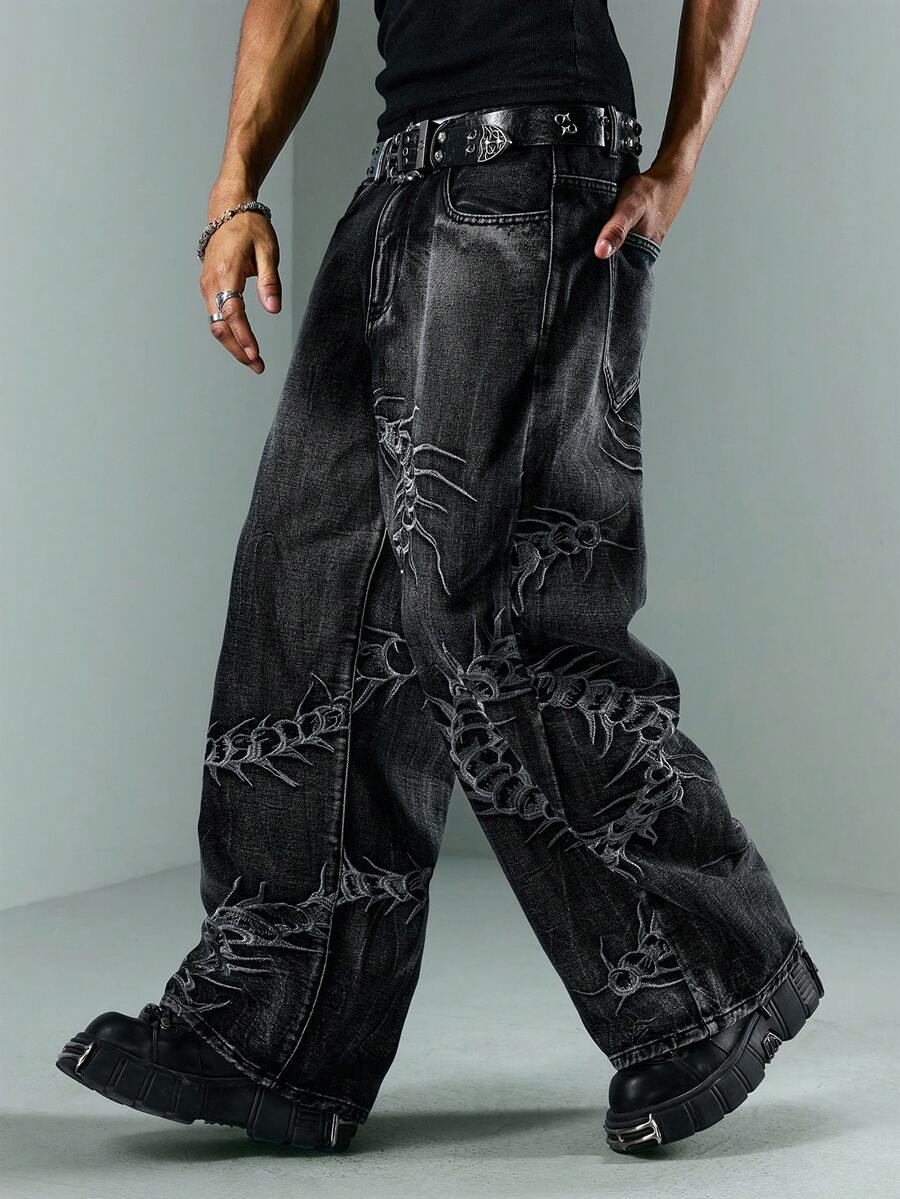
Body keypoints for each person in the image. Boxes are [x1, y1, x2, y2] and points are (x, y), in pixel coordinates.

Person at [57, 0, 823, 1155]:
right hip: (402, 178)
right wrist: (235, 189)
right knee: (309, 595)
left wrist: (677, 161)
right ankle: (274, 1030)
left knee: (495, 611)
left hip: (535, 158)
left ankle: (711, 980)